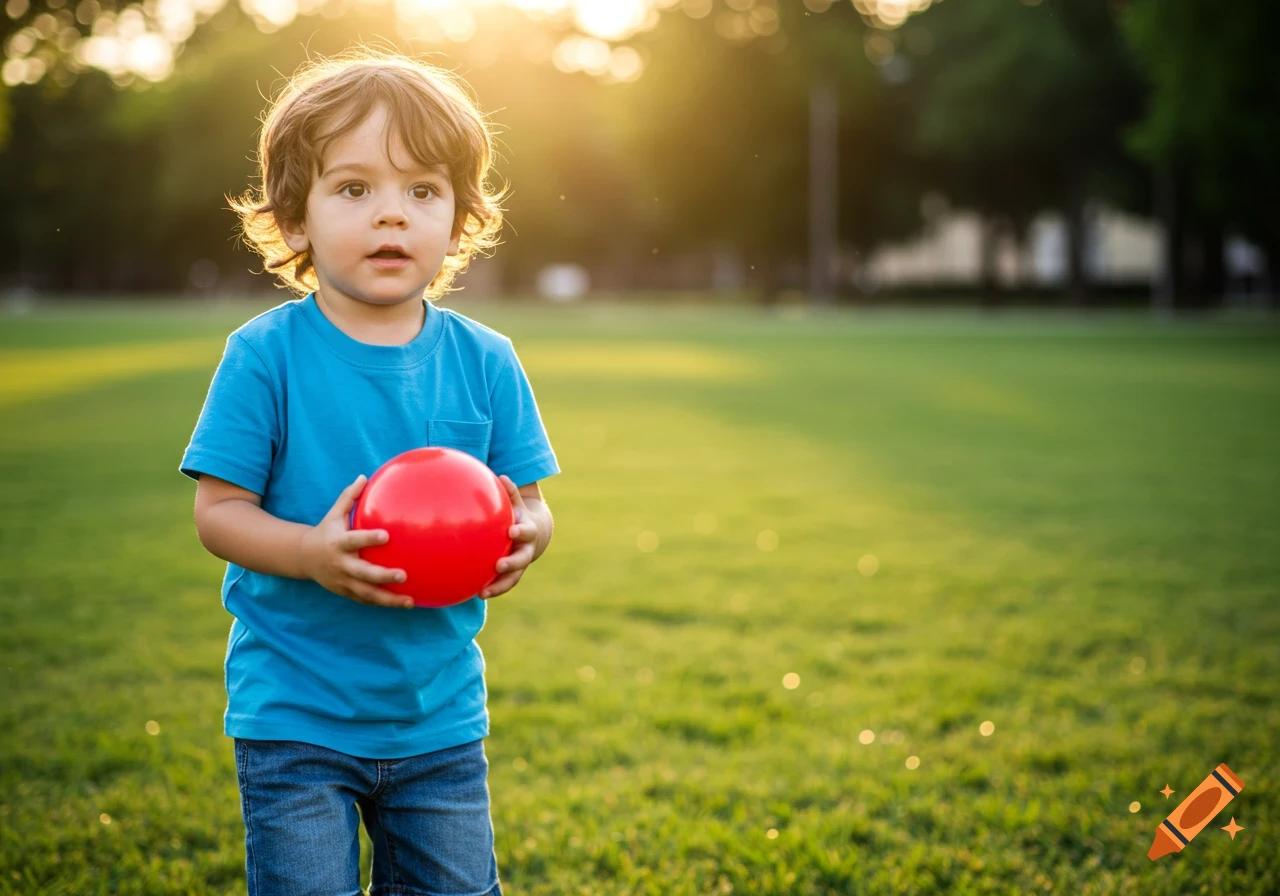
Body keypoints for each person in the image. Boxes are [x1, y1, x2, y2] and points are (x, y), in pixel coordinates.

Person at [179, 49, 559, 896]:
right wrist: (310, 553)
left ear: (460, 221)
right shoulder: (265, 356)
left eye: (422, 191)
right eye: (354, 190)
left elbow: (530, 505)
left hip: (438, 719)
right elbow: (219, 513)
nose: (392, 216)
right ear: (295, 219)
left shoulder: (487, 360)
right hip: (295, 714)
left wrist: (527, 536)